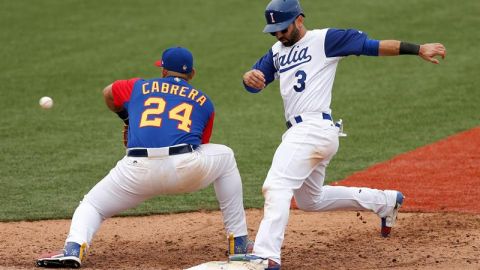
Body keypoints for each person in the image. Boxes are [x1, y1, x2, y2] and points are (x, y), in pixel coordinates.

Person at [236, 0, 447, 269]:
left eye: (283, 28)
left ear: (299, 20)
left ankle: (265, 255)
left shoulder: (326, 39)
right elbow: (256, 81)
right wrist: (249, 78)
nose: (278, 34)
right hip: (310, 134)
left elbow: (372, 46)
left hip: (312, 130)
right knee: (310, 200)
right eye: (274, 30)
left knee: (276, 185)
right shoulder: (277, 51)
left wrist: (417, 49)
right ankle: (384, 202)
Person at [36, 47, 252, 268]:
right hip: (184, 169)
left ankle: (73, 248)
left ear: (163, 71)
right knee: (226, 156)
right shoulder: (205, 102)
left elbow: (108, 92)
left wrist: (127, 119)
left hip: (135, 170)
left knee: (92, 205)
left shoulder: (138, 86)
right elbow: (200, 144)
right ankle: (239, 244)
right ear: (192, 74)